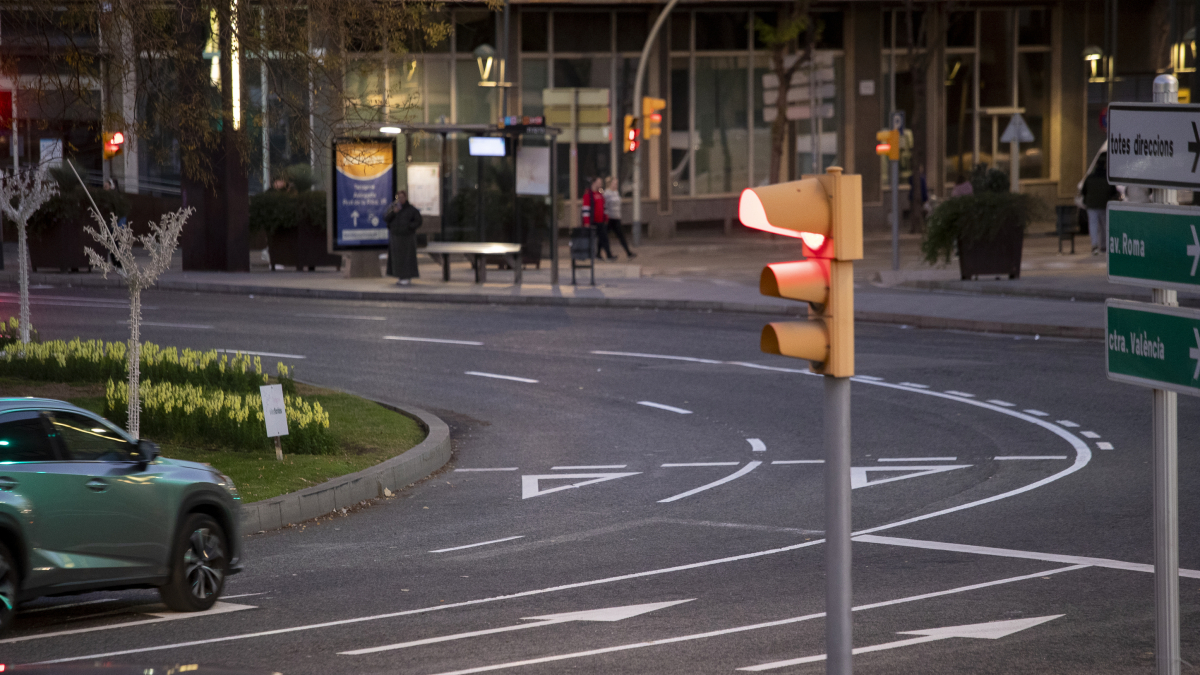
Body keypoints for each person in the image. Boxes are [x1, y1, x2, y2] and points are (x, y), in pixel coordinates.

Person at [1080, 152, 1118, 255]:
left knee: (1093, 225)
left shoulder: (1090, 177)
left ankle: (1095, 246)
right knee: (1105, 225)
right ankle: (1104, 246)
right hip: (1104, 205)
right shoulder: (1108, 178)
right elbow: (1113, 192)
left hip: (1091, 205)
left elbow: (1083, 191)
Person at [384, 190, 421, 285]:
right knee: (397, 259)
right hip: (396, 237)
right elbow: (386, 218)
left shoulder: (411, 209)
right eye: (398, 197)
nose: (400, 199)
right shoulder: (393, 208)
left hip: (407, 238)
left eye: (402, 197)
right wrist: (394, 212)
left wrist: (409, 227)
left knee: (407, 258)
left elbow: (418, 221)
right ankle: (399, 276)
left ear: (406, 197)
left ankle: (407, 276)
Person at [581, 177, 614, 260]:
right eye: (599, 182)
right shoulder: (589, 194)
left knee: (603, 238)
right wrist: (586, 221)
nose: (600, 184)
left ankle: (604, 254)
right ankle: (589, 254)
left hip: (600, 221)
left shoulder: (600, 193)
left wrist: (606, 217)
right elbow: (586, 209)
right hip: (593, 221)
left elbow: (604, 206)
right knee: (594, 238)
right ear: (594, 183)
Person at [603, 176, 635, 259]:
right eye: (615, 183)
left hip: (616, 218)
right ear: (610, 184)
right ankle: (599, 253)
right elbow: (605, 206)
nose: (616, 185)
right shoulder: (607, 193)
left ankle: (628, 253)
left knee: (621, 236)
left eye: (617, 183)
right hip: (610, 218)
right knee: (604, 236)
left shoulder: (616, 192)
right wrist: (606, 217)